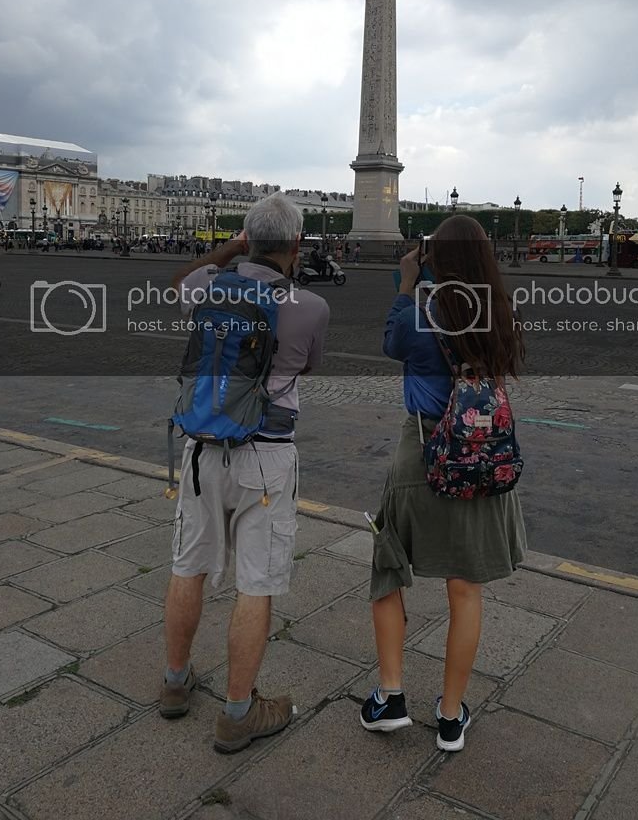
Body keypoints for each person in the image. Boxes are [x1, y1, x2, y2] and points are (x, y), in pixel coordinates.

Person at [161, 192, 330, 753]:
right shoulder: (308, 307)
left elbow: (175, 285)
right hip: (266, 458)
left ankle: (175, 683)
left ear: (248, 239)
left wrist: (227, 249)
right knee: (255, 583)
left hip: (203, 448)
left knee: (189, 567)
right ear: (297, 245)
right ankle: (238, 712)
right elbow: (306, 363)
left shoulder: (207, 287)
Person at [360, 214, 526, 752]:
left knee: (390, 564)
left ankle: (391, 696)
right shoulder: (500, 311)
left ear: (437, 256)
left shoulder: (422, 308)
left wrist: (407, 282)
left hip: (423, 445)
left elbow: (394, 342)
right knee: (465, 586)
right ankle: (451, 717)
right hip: (480, 451)